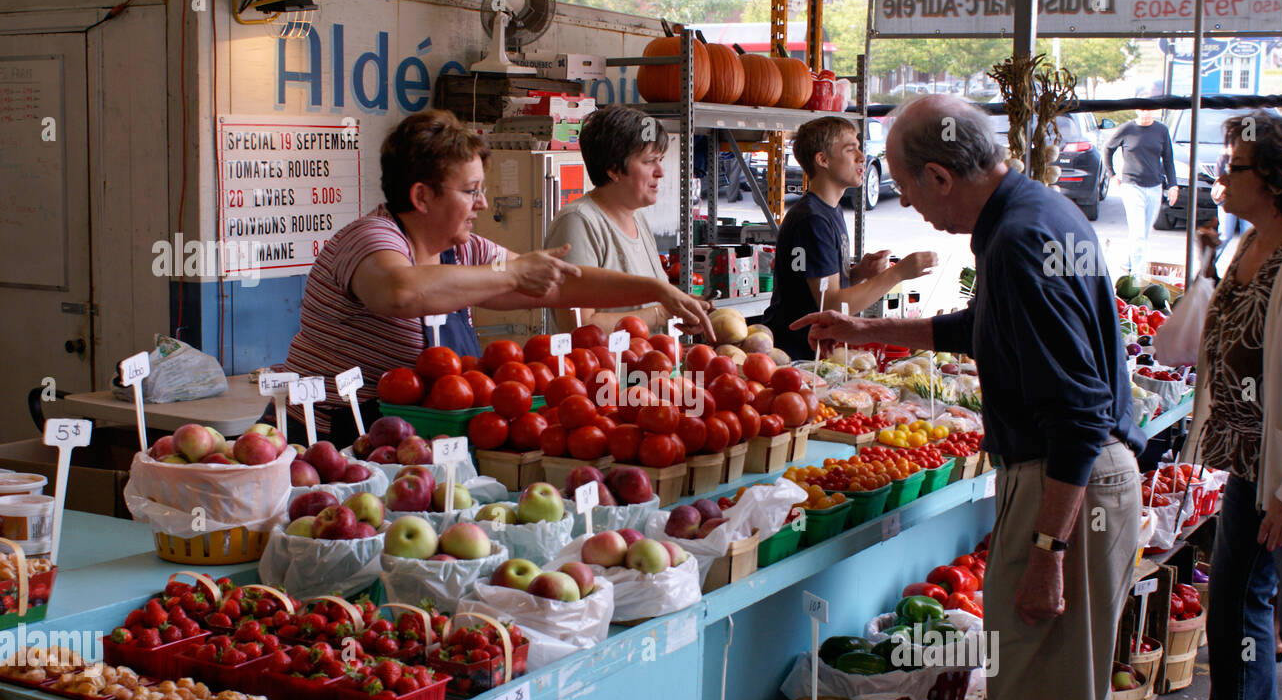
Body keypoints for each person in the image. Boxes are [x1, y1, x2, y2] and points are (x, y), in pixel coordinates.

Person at [792, 96, 1147, 700]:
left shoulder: (1015, 238)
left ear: (939, 176)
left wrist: (1048, 549)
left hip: (1069, 486)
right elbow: (986, 326)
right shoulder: (1038, 213)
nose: (909, 206)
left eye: (905, 186)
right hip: (1086, 481)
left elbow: (1078, 413)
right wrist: (867, 325)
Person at [272, 110, 713, 442]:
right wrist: (511, 272)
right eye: (470, 191)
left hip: (412, 435)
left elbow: (560, 283)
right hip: (326, 438)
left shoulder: (464, 249)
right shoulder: (371, 238)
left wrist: (658, 290)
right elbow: (401, 292)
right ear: (421, 196)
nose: (483, 204)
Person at [1165, 110, 1282, 700]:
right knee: (1235, 603)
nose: (1221, 176)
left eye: (1235, 168)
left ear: (1274, 180)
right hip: (1249, 463)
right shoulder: (1251, 242)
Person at [761, 116, 936, 361]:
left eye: (859, 148)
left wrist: (858, 274)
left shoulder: (828, 210)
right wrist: (898, 274)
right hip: (795, 356)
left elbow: (817, 287)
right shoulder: (812, 220)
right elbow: (831, 305)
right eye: (850, 149)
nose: (862, 157)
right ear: (822, 160)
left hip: (812, 351)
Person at [544, 105, 681, 335]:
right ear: (613, 169)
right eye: (649, 161)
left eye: (661, 159)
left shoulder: (637, 219)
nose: (660, 172)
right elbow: (579, 327)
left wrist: (681, 311)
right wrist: (663, 313)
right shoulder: (578, 223)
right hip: (602, 371)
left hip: (649, 368)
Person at [1103, 109, 1178, 277]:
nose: (1146, 114)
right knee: (1137, 232)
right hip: (1132, 185)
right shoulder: (1127, 129)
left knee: (1144, 233)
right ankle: (1137, 277)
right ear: (1137, 110)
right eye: (1143, 110)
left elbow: (1168, 159)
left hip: (1154, 186)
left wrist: (1173, 185)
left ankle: (1127, 263)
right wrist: (1112, 174)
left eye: (1149, 110)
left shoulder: (1161, 130)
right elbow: (1108, 149)